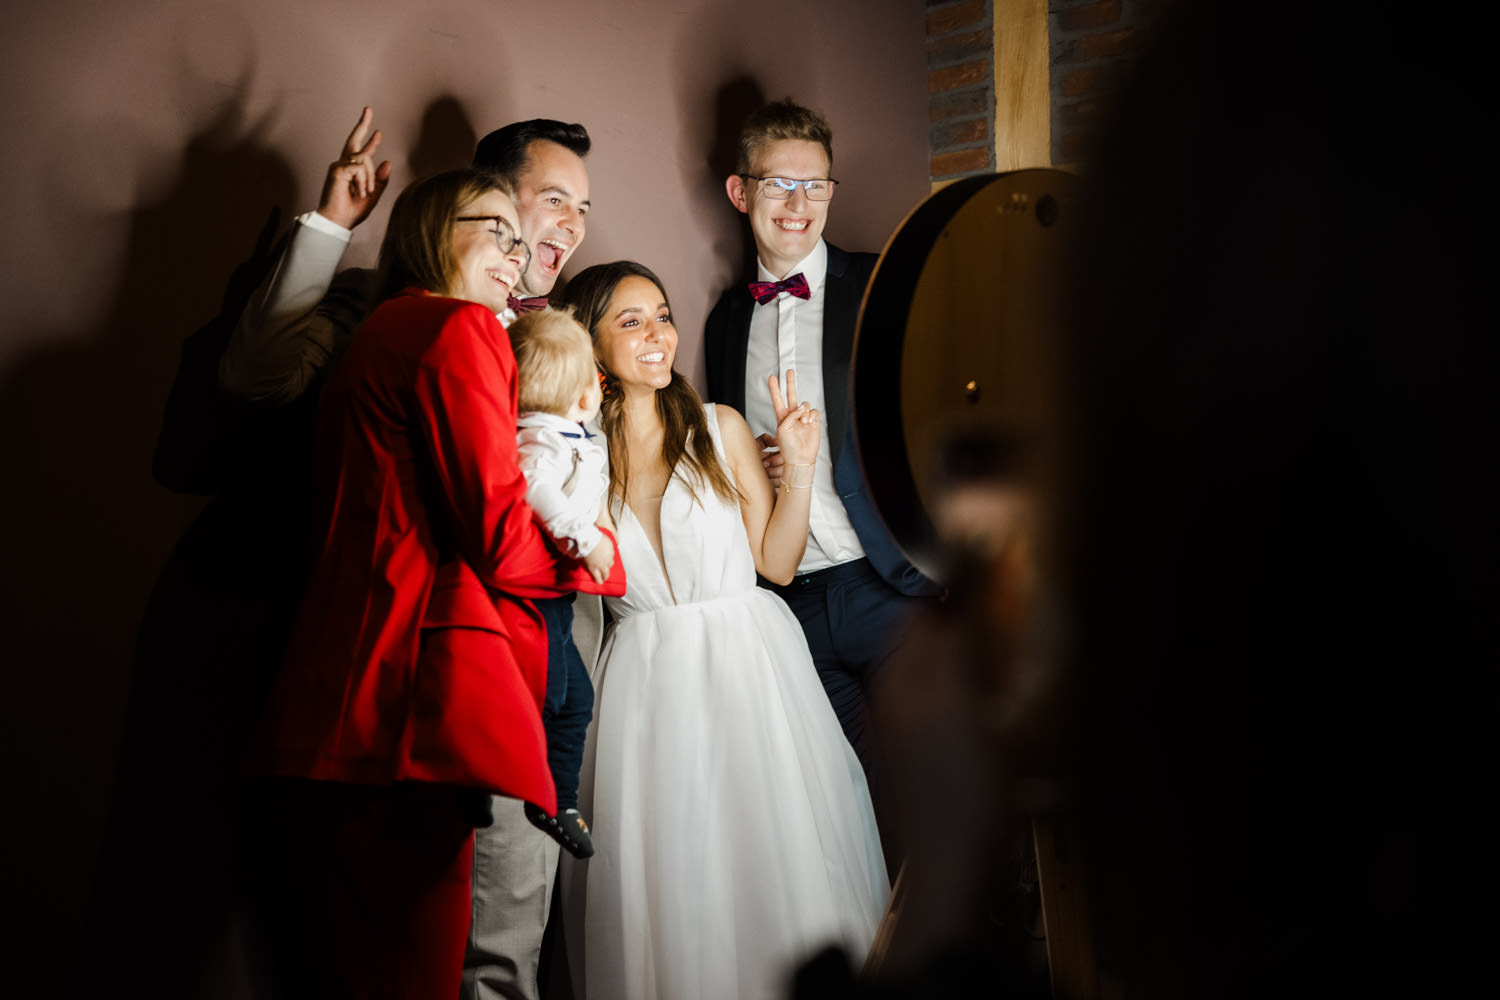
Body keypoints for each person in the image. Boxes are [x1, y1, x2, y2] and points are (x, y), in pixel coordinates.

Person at [215, 107, 597, 1000]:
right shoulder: (393, 312)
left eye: (583, 207)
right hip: (419, 671)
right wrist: (331, 228)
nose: (569, 225)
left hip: (527, 668)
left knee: (507, 936)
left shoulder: (565, 329)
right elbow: (253, 375)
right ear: (479, 205)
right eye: (548, 201)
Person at [557, 261, 889, 1000]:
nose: (658, 335)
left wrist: (799, 467)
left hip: (750, 671)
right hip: (643, 695)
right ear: (591, 342)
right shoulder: (573, 459)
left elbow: (776, 562)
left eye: (664, 314)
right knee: (677, 879)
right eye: (632, 320)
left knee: (771, 858)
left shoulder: (718, 426)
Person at [704, 100, 941, 798]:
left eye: (817, 185)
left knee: (934, 791)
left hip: (892, 589)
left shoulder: (881, 286)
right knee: (851, 806)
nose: (799, 204)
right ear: (740, 191)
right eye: (779, 183)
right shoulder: (722, 323)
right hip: (791, 607)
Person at [508, 308, 612, 859]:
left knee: (573, 698)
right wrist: (583, 538)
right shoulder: (542, 440)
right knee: (550, 697)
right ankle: (533, 790)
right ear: (580, 395)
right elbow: (536, 489)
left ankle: (557, 798)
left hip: (557, 598)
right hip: (537, 597)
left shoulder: (567, 430)